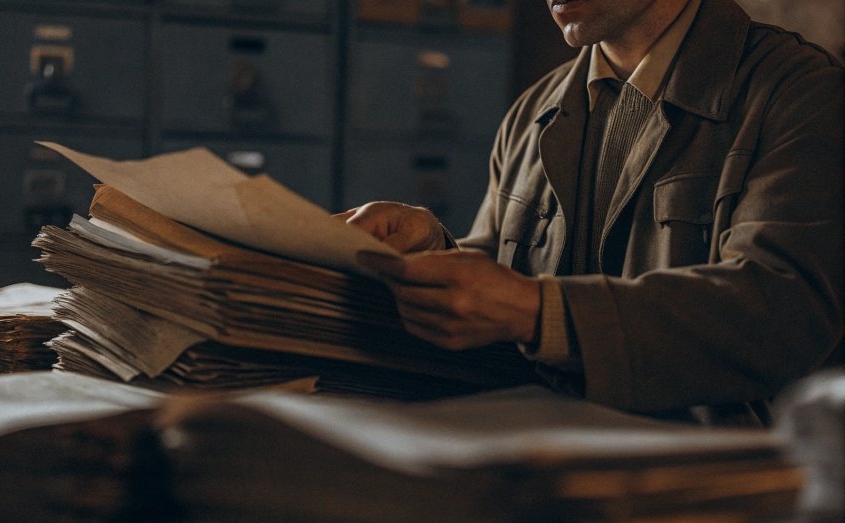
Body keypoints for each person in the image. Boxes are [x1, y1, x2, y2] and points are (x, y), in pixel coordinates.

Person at [338, 0, 844, 425]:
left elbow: (781, 313)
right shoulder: (533, 110)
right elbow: (500, 275)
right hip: (541, 474)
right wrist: (437, 249)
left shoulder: (802, 94)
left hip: (713, 495)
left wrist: (540, 313)